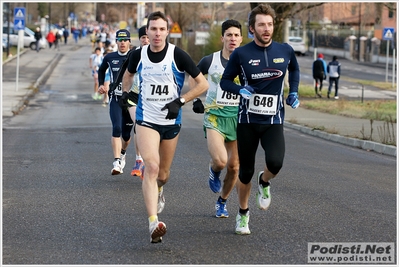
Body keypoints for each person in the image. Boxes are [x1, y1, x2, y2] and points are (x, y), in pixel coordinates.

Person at [120, 11, 208, 243]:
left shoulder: (177, 55)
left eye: (161, 29)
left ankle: (159, 190)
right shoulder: (138, 55)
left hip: (171, 121)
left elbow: (202, 84)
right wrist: (125, 94)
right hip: (146, 119)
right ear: (146, 32)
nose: (157, 33)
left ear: (167, 32)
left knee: (164, 175)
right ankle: (152, 222)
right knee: (151, 167)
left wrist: (180, 101)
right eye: (153, 29)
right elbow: (128, 75)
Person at [220, 3, 300, 235]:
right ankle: (243, 214)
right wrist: (239, 90)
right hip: (247, 121)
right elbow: (225, 81)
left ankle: (264, 181)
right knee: (244, 172)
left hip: (273, 120)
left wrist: (293, 91)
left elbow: (294, 69)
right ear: (252, 29)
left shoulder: (285, 51)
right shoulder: (241, 54)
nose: (267, 29)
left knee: (275, 163)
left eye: (270, 24)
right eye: (261, 25)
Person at [190, 19, 242, 218]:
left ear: (241, 38)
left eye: (236, 35)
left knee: (235, 166)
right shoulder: (210, 60)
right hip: (214, 116)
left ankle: (222, 201)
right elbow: (194, 76)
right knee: (220, 161)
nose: (233, 39)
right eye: (229, 35)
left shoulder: (246, 62)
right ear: (222, 38)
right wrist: (195, 98)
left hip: (237, 118)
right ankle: (213, 171)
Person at [97, 29, 133, 175]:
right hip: (116, 99)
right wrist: (101, 84)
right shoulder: (110, 57)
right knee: (116, 128)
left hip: (130, 101)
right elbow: (101, 70)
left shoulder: (135, 57)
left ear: (129, 41)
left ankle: (123, 152)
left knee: (126, 135)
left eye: (125, 40)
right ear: (116, 41)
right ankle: (117, 161)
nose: (122, 42)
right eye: (120, 40)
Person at [128, 25, 150, 179]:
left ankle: (149, 160)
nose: (146, 40)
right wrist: (122, 92)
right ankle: (138, 160)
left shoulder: (162, 54)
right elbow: (126, 74)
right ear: (140, 39)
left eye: (148, 37)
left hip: (151, 98)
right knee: (138, 124)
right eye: (143, 37)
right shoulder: (135, 54)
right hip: (134, 95)